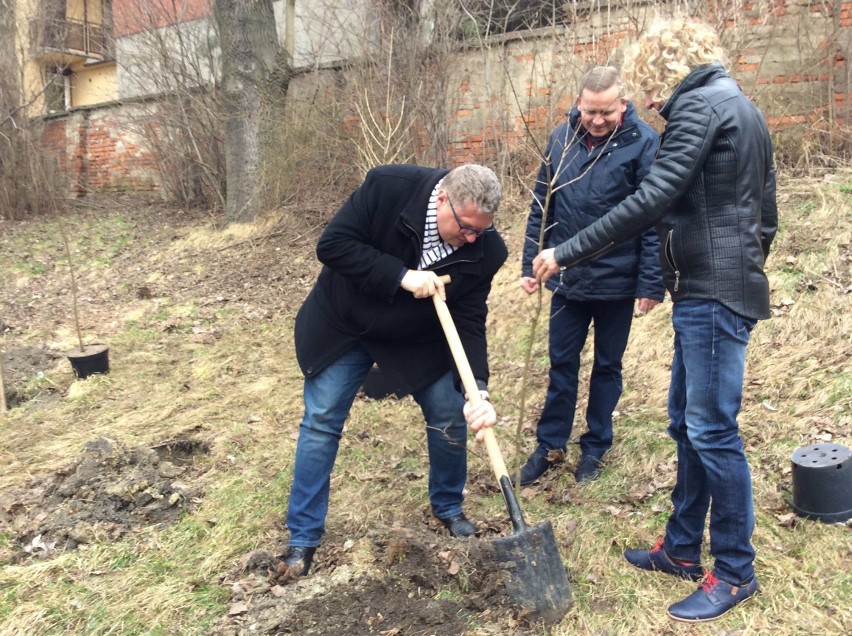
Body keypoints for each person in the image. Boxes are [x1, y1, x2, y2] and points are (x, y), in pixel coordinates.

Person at [532, 18, 777, 622]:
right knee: (687, 422)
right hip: (714, 286)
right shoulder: (739, 105)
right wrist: (739, 267)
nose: (650, 98)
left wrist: (563, 251)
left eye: (648, 82)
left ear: (665, 70)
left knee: (712, 430)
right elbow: (766, 213)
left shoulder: (699, 108)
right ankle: (683, 548)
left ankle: (736, 572)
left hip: (712, 294)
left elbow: (648, 201)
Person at [281, 163, 506, 577]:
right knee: (322, 420)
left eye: (481, 230)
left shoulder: (487, 250)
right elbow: (333, 245)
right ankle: (303, 537)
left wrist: (479, 390)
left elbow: (470, 319)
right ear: (443, 199)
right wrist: (401, 275)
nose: (472, 238)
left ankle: (449, 508)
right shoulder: (389, 187)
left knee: (449, 414)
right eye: (465, 228)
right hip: (346, 322)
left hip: (416, 337)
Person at [518, 66, 664, 485]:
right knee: (561, 365)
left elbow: (652, 219)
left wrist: (650, 283)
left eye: (605, 112)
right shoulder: (560, 139)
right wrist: (533, 262)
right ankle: (549, 446)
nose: (597, 120)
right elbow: (540, 207)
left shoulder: (644, 144)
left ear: (623, 105)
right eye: (589, 111)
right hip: (566, 281)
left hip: (618, 281)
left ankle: (596, 446)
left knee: (606, 366)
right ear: (578, 104)